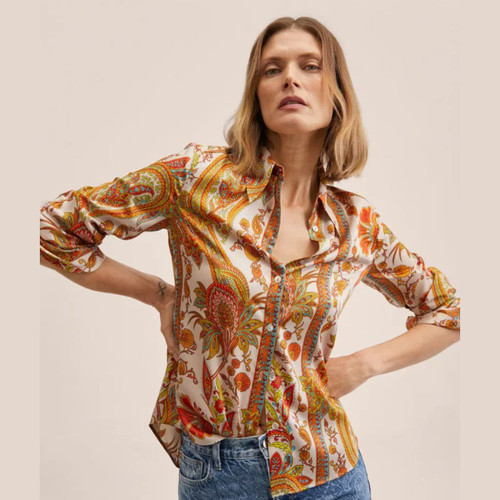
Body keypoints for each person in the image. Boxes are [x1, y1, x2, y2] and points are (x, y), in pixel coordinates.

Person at [40, 16, 460, 500]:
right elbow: (52, 228)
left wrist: (363, 365)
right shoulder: (195, 177)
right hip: (219, 475)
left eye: (310, 66)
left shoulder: (355, 224)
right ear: (256, 94)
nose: (290, 78)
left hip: (329, 471)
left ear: (337, 93)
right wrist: (159, 295)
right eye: (272, 69)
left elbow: (450, 310)